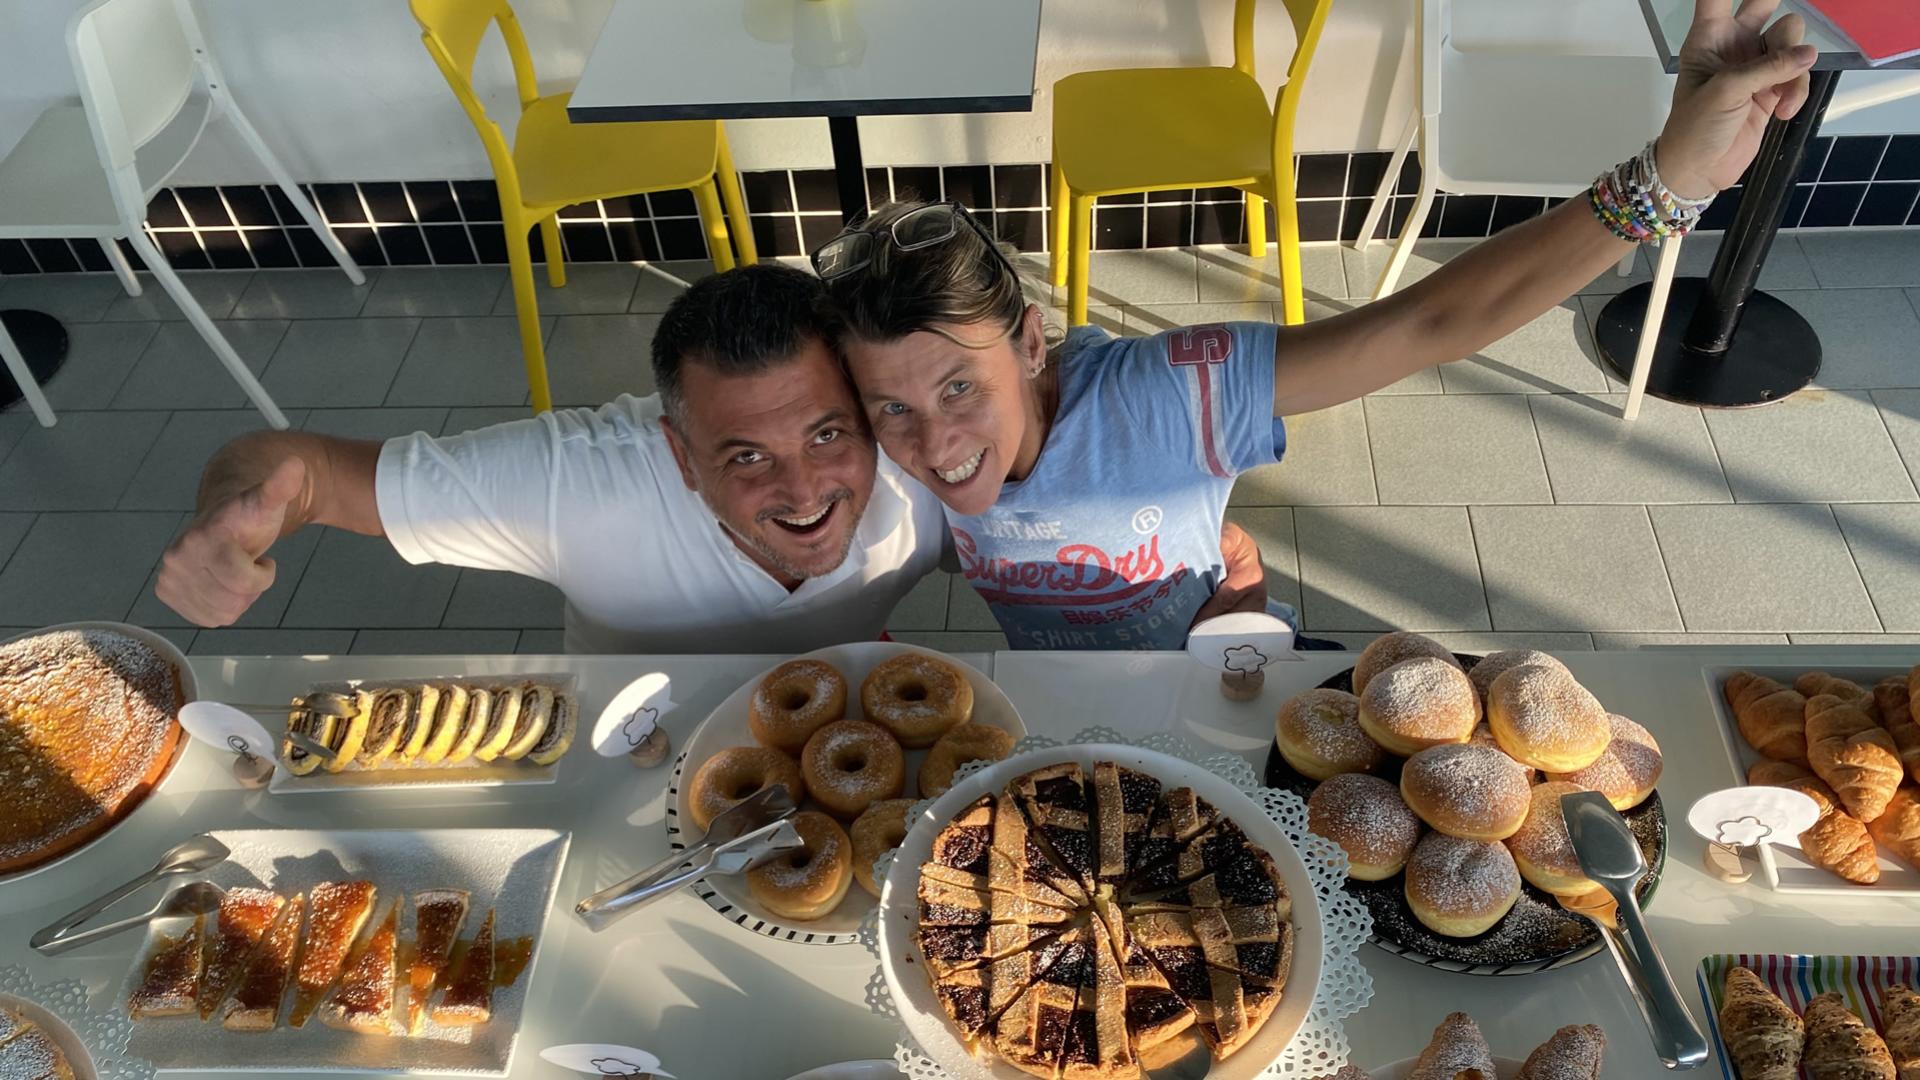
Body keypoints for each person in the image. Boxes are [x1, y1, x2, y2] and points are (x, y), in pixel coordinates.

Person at [815, 0, 1815, 651]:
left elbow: (1431, 321)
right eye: (890, 408)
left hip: (1242, 684)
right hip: (1075, 727)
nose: (935, 443)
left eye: (959, 386)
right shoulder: (895, 466)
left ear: (1031, 341)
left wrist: (1669, 179)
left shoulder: (1171, 392)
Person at [155, 264, 1269, 652]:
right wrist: (237, 518)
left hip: (846, 735)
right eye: (744, 454)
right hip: (630, 755)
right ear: (677, 456)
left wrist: (1198, 555)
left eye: (832, 433)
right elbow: (292, 466)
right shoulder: (571, 484)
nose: (803, 490)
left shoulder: (919, 465)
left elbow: (1066, 483)